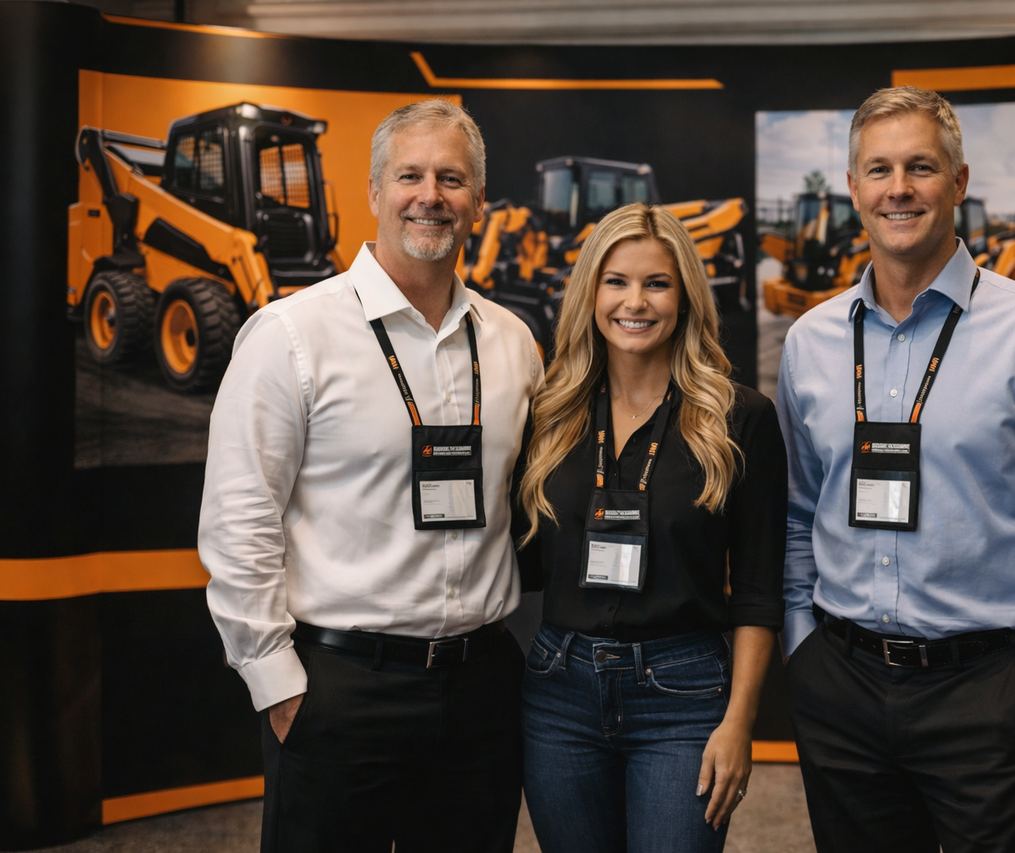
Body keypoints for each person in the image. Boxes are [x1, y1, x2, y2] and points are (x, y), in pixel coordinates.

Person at [777, 86, 1015, 852]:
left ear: (959, 180)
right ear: (853, 188)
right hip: (840, 688)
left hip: (989, 695)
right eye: (879, 169)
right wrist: (802, 647)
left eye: (920, 166)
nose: (899, 188)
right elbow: (795, 511)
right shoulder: (810, 342)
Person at [199, 100, 542, 853]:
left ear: (480, 200)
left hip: (481, 689)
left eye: (452, 178)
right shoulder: (292, 334)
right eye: (410, 175)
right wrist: (277, 685)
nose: (430, 196)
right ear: (375, 191)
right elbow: (238, 519)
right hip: (341, 688)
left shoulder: (514, 342)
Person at [514, 202, 786, 853]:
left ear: (685, 296)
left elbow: (757, 592)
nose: (635, 302)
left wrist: (739, 721)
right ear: (590, 292)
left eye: (656, 283)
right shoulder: (549, 413)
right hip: (559, 690)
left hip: (683, 694)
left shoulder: (738, 419)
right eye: (617, 281)